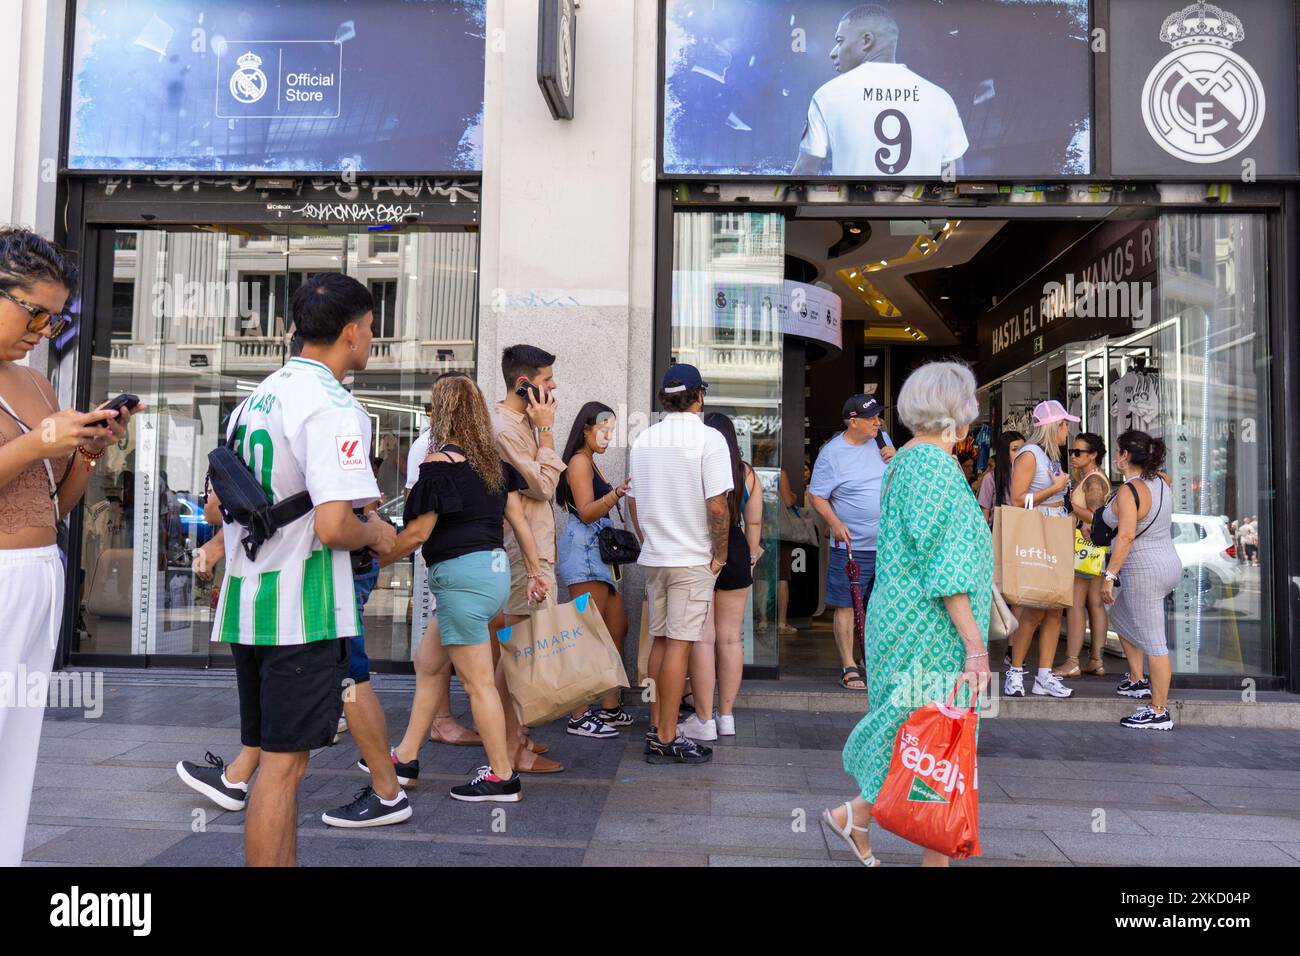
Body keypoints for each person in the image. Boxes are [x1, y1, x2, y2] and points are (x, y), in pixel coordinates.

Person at [207, 274, 399, 866]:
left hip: (246, 602)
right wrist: (382, 536)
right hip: (302, 611)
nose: (371, 338)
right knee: (284, 771)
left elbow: (217, 505)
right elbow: (335, 526)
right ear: (349, 333)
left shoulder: (253, 399)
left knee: (271, 758)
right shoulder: (336, 405)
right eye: (370, 329)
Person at [0, 227, 136, 867]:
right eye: (34, 313)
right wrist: (35, 443)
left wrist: (83, 450)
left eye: (55, 321)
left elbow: (55, 503)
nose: (42, 331)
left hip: (38, 573)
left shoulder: (34, 383)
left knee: (16, 743)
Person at [823, 362, 991, 867]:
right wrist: (976, 648)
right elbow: (946, 564)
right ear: (957, 415)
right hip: (930, 630)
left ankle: (858, 816)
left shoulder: (905, 461)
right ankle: (869, 821)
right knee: (934, 740)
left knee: (921, 737)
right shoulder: (932, 466)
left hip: (905, 622)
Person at [379, 373, 551, 799]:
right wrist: (534, 572)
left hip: (460, 581)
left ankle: (501, 776)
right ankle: (405, 758)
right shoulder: (493, 466)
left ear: (444, 413)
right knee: (430, 663)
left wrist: (373, 559)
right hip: (490, 577)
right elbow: (520, 524)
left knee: (478, 683)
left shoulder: (437, 467)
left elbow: (419, 534)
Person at [628, 363, 732, 765]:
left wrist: (648, 538)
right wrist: (719, 554)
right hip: (691, 558)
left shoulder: (644, 440)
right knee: (681, 644)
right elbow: (717, 504)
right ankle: (668, 736)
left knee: (659, 638)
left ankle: (657, 725)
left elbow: (634, 500)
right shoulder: (710, 439)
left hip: (656, 555)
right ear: (699, 395)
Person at [492, 344, 566, 773]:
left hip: (531, 551)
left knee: (520, 651)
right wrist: (548, 434)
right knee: (517, 654)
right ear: (523, 384)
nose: (553, 386)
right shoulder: (506, 429)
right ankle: (508, 750)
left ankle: (516, 738)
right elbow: (541, 487)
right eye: (545, 380)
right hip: (523, 555)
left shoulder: (521, 425)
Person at [791, 4, 968, 177]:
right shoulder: (941, 99)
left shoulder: (827, 96)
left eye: (840, 41)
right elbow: (954, 178)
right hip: (921, 207)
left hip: (852, 207)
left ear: (866, 40)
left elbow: (804, 173)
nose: (833, 52)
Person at [678, 413, 763, 741]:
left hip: (699, 548)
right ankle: (726, 716)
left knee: (703, 637)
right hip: (738, 548)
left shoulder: (695, 465)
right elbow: (753, 523)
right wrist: (751, 557)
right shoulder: (746, 472)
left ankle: (703, 720)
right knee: (731, 638)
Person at [555, 400, 633, 738]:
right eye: (603, 429)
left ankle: (610, 706)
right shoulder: (578, 463)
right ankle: (578, 713)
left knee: (617, 627)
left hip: (599, 557)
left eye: (611, 431)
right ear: (585, 429)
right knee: (587, 635)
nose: (607, 436)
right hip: (585, 553)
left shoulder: (590, 462)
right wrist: (616, 493)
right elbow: (586, 512)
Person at [405, 398, 481, 748]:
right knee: (475, 677)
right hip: (446, 564)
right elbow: (415, 511)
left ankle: (409, 753)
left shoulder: (467, 447)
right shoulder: (429, 448)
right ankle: (443, 724)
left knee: (432, 659)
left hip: (456, 566)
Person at [808, 395, 895, 691]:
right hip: (851, 546)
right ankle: (848, 664)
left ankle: (872, 660)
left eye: (878, 416)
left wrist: (896, 462)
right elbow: (817, 495)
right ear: (852, 421)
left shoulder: (883, 442)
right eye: (871, 418)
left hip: (887, 546)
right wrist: (835, 524)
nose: (877, 422)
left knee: (879, 606)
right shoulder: (832, 454)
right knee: (846, 605)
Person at [1101, 430, 1181, 730]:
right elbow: (1166, 477)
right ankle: (1137, 681)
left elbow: (1126, 535)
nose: (1115, 457)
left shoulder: (1129, 491)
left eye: (1117, 451)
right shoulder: (1160, 481)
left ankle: (1159, 711)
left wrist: (1110, 575)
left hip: (1144, 570)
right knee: (1119, 614)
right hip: (1168, 562)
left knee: (1156, 644)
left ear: (1124, 456)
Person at [1003, 400, 1076, 699]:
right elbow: (1017, 500)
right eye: (1064, 425)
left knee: (1055, 609)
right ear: (1053, 426)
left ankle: (1043, 676)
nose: (1067, 430)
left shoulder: (1047, 456)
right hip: (1040, 531)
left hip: (1055, 529)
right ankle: (1016, 672)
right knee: (1034, 609)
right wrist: (1055, 487)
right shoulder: (1030, 455)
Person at [1057, 432, 1111, 679]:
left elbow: (1095, 516)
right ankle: (1096, 660)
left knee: (1076, 605)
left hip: (1084, 550)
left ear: (1093, 455)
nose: (1073, 456)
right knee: (1094, 604)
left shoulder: (1094, 481)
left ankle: (1072, 661)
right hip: (1094, 550)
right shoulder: (1090, 478)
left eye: (1078, 452)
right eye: (1072, 452)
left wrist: (1070, 506)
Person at [977, 430, 1024, 525]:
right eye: (1015, 449)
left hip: (1023, 528)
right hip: (999, 532)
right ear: (1004, 453)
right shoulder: (990, 478)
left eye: (1023, 449)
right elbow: (984, 514)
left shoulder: (1028, 475)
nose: (1020, 453)